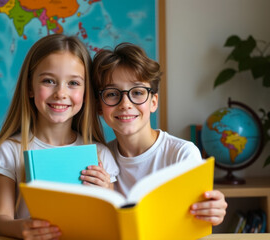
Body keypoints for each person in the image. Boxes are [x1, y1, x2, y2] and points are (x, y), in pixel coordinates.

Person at [0, 34, 119, 239]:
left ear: (86, 91)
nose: (61, 93)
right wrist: (21, 228)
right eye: (49, 81)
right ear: (29, 87)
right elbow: (1, 220)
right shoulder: (10, 151)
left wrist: (107, 191)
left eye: (73, 83)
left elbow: (112, 223)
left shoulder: (100, 154)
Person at [90, 42, 227, 226]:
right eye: (112, 94)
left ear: (153, 102)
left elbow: (195, 221)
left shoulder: (182, 154)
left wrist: (212, 210)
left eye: (137, 92)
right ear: (100, 106)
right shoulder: (100, 159)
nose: (125, 104)